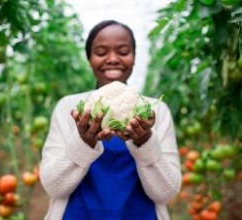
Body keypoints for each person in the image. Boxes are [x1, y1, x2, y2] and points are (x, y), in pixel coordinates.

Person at [39, 20, 182, 220]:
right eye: (101, 52)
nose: (113, 59)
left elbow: (167, 192)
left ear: (134, 58)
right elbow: (53, 187)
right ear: (89, 58)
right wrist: (84, 141)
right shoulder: (68, 107)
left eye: (123, 51)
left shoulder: (156, 111)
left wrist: (145, 142)